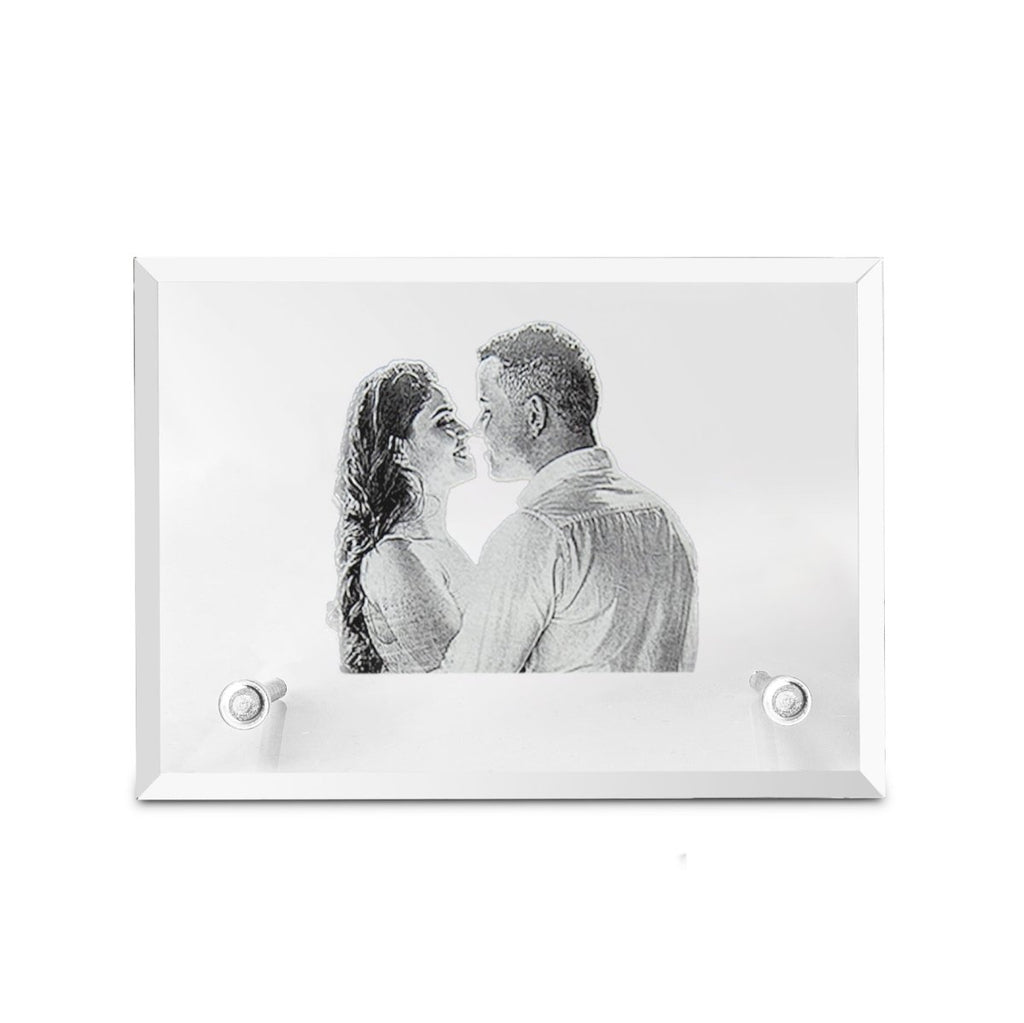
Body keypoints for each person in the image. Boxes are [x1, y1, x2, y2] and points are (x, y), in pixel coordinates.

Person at [442, 322, 698, 673]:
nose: (476, 427)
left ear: (534, 415)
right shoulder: (662, 518)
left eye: (487, 409)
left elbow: (466, 685)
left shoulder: (534, 535)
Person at [327, 361, 476, 672]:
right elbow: (468, 682)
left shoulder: (436, 546)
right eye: (443, 421)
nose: (464, 430)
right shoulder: (395, 557)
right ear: (397, 449)